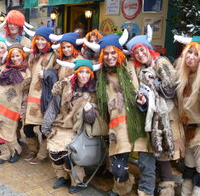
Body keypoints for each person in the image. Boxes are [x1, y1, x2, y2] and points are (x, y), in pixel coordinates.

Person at [126, 26, 185, 196]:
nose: (140, 54)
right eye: (136, 53)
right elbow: (145, 95)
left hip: (167, 116)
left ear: (148, 49)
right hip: (153, 118)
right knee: (158, 150)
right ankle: (157, 187)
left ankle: (167, 188)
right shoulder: (140, 71)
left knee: (165, 152)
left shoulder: (161, 62)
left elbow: (171, 89)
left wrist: (154, 86)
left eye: (142, 50)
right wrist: (143, 99)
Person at [87, 29, 145, 196]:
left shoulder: (132, 67)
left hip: (135, 125)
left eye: (113, 53)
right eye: (106, 53)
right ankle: (123, 186)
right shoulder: (101, 75)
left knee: (124, 166)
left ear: (119, 53)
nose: (110, 57)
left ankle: (122, 188)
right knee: (118, 167)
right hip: (115, 128)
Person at [41, 59, 106, 193]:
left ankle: (78, 180)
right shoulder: (65, 86)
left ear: (91, 74)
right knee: (54, 152)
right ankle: (62, 176)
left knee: (70, 155)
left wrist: (90, 112)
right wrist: (46, 126)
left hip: (77, 129)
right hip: (61, 124)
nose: (84, 75)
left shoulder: (93, 93)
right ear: (76, 73)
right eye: (81, 72)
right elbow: (54, 107)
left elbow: (92, 120)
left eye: (86, 72)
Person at [23, 26, 57, 165]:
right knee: (27, 127)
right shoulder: (33, 54)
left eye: (43, 39)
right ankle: (33, 149)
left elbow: (58, 73)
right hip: (30, 97)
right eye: (38, 39)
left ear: (48, 40)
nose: (40, 42)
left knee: (44, 127)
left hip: (44, 98)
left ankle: (42, 154)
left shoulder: (54, 55)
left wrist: (48, 74)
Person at [174, 35, 200, 196]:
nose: (191, 57)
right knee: (188, 172)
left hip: (199, 133)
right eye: (189, 52)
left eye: (196, 54)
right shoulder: (181, 75)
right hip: (187, 132)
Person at [0, 43, 31, 164]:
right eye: (13, 56)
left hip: (13, 106)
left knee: (9, 130)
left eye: (17, 55)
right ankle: (5, 153)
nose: (15, 59)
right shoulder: (5, 68)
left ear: (22, 56)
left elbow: (27, 90)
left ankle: (16, 150)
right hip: (0, 104)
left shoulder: (27, 72)